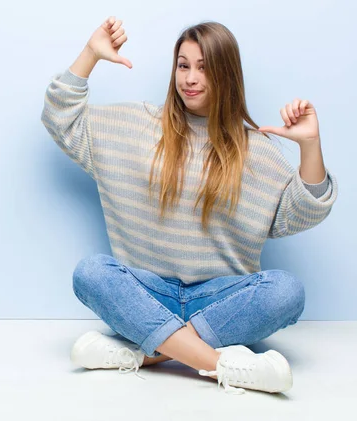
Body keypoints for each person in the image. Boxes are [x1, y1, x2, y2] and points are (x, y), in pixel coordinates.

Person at [40, 16, 338, 395]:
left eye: (204, 67)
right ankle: (222, 366)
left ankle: (145, 353)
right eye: (183, 65)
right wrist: (90, 54)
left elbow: (304, 211)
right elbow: (60, 118)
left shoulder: (257, 152)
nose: (190, 78)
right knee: (91, 273)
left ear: (226, 74)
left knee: (287, 291)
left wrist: (310, 145)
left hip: (220, 302)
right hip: (147, 295)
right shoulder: (134, 126)